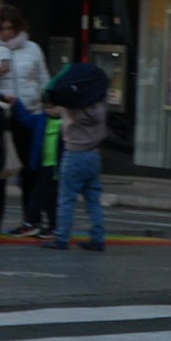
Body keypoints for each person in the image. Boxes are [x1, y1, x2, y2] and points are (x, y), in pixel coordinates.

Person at [0, 5, 51, 237]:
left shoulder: (33, 49)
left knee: (31, 169)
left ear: (19, 27)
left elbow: (44, 80)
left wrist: (40, 99)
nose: (7, 33)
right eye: (3, 29)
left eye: (11, 28)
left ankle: (31, 220)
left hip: (29, 115)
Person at [45, 71, 110, 253]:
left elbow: (54, 103)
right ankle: (98, 238)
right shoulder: (100, 106)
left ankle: (62, 238)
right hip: (94, 154)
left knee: (67, 198)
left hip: (74, 154)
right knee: (93, 200)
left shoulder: (72, 107)